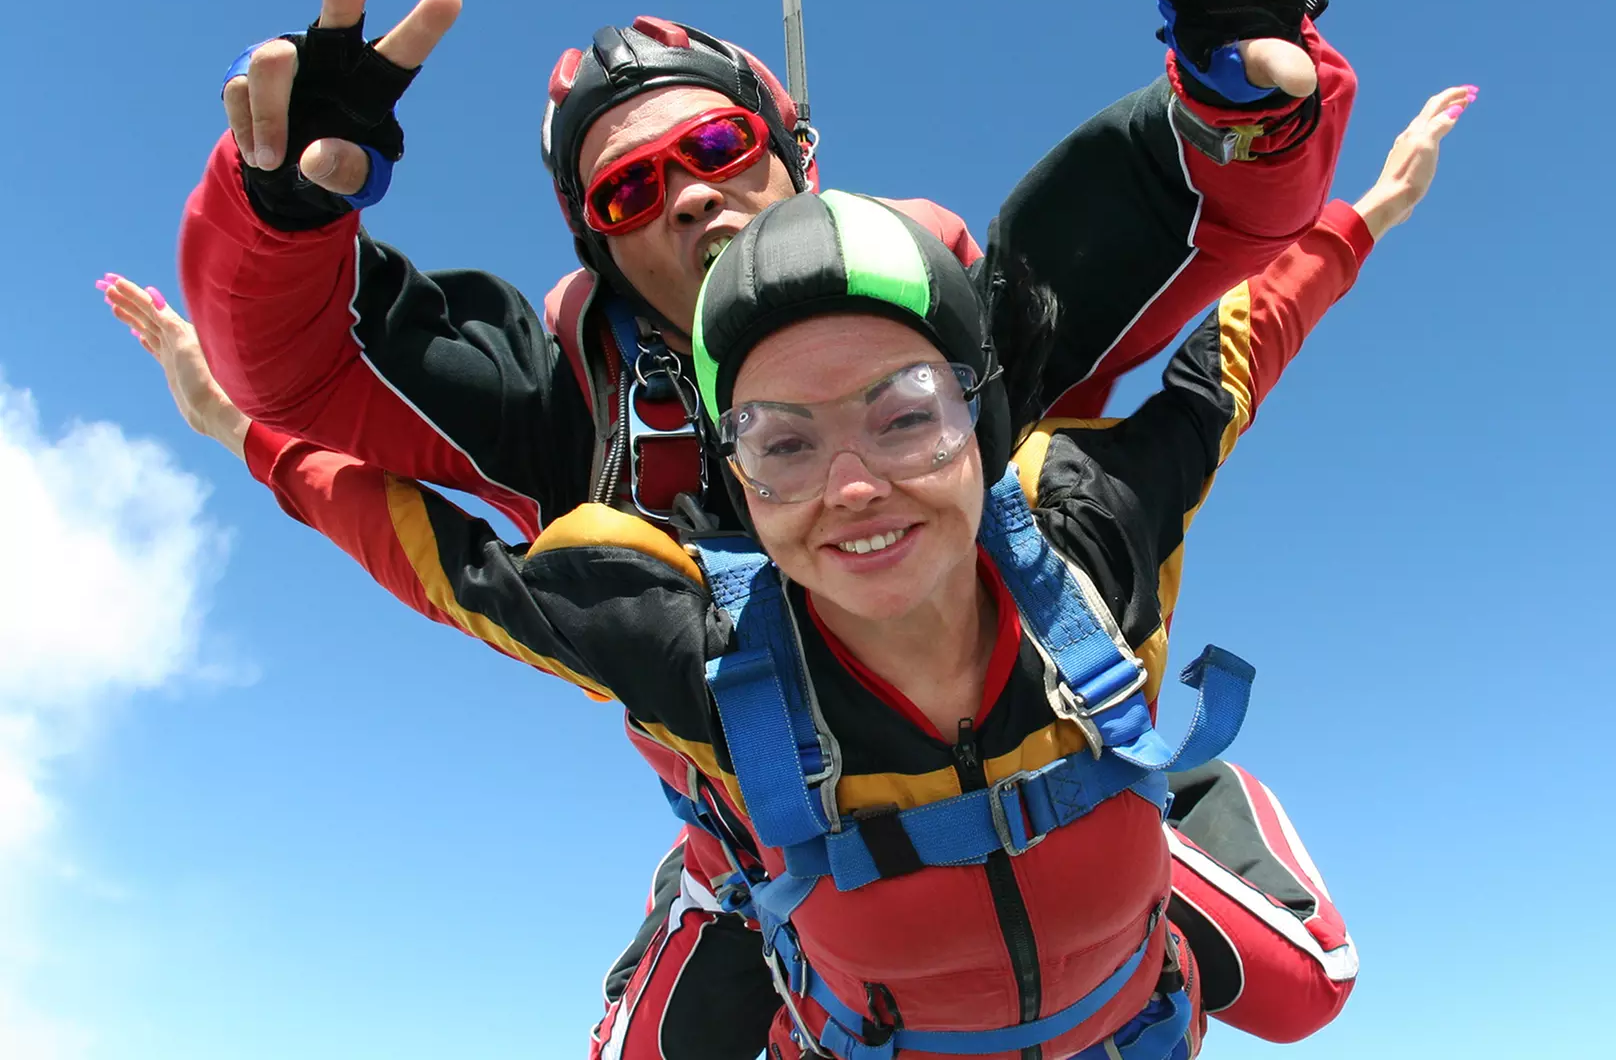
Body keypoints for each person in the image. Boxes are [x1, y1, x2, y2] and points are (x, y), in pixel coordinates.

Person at [108, 78, 1469, 1058]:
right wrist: (255, 432)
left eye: (904, 416)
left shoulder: (1081, 522)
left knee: (1311, 985)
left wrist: (1355, 212)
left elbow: (1235, 350)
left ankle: (1141, 810)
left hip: (1096, 901)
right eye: (779, 443)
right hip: (796, 870)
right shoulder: (666, 610)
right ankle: (729, 886)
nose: (856, 487)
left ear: (980, 415)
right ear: (733, 477)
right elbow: (422, 549)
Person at [177, 0, 1380, 544]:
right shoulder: (570, 410)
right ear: (593, 245)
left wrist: (1245, 100)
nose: (690, 191)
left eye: (716, 139)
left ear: (796, 154)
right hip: (778, 870)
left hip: (1049, 783)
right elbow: (305, 371)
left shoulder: (963, 306)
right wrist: (278, 216)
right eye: (629, 187)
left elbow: (1212, 226)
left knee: (1304, 982)